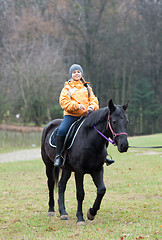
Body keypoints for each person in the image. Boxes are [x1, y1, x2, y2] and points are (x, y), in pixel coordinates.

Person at [54, 64, 114, 167]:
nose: (76, 74)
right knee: (62, 130)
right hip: (71, 115)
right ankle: (59, 156)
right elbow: (64, 102)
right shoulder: (67, 88)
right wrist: (77, 106)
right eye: (74, 72)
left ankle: (104, 155)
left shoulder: (87, 88)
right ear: (71, 75)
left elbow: (94, 100)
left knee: (101, 130)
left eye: (78, 72)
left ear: (81, 74)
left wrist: (92, 107)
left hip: (87, 116)